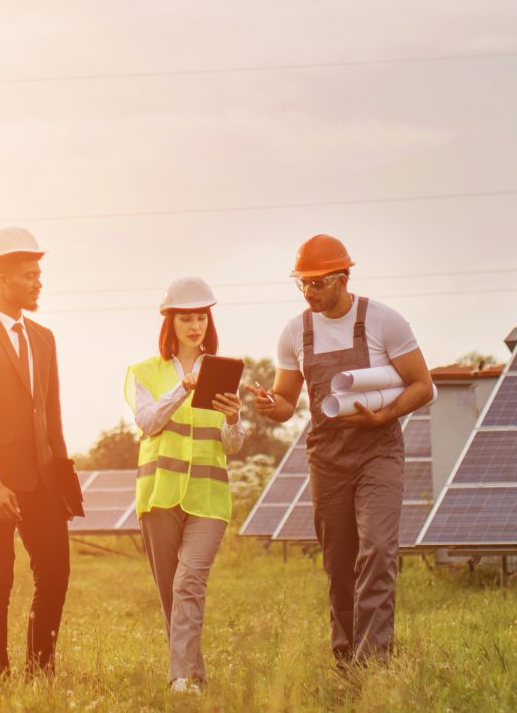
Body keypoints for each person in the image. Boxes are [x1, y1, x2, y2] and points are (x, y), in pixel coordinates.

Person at [243, 234, 432, 668]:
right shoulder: (295, 332)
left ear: (343, 278)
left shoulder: (385, 322)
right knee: (338, 559)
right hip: (326, 455)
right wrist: (272, 407)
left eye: (317, 283)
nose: (308, 292)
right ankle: (346, 659)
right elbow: (288, 402)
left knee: (379, 549)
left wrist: (383, 417)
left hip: (378, 449)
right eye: (302, 284)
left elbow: (424, 386)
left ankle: (375, 658)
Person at [0, 225, 84, 680]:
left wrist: (63, 480)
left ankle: (40, 670)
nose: (38, 282)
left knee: (56, 577)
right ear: (1, 278)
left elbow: (52, 414)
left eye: (39, 274)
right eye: (29, 275)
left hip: (44, 483)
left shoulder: (45, 338)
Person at [124, 276, 243, 692]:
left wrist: (234, 419)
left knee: (189, 582)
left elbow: (232, 445)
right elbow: (148, 422)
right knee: (171, 594)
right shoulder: (142, 373)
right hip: (159, 497)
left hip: (208, 498)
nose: (196, 327)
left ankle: (177, 678)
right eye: (186, 318)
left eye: (201, 318)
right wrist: (183, 387)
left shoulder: (226, 372)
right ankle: (195, 677)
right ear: (169, 323)